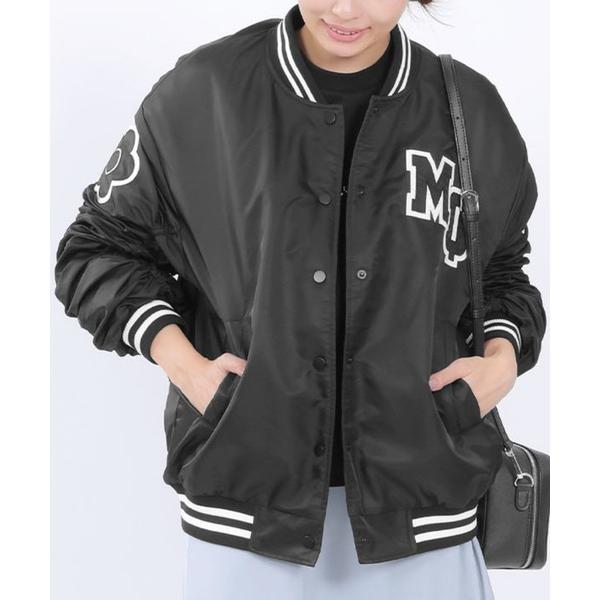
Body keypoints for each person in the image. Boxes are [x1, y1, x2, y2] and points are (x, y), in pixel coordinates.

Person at [54, 1, 546, 598]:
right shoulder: (205, 93)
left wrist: (501, 361)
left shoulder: (468, 107)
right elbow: (96, 248)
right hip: (247, 509)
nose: (345, 8)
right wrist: (190, 370)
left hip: (426, 507)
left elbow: (502, 271)